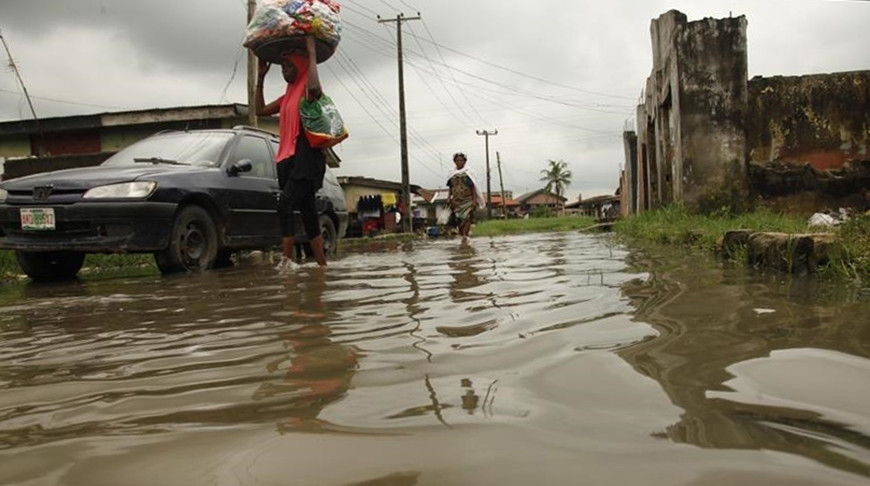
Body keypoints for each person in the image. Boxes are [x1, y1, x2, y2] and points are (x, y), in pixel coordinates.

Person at [256, 36, 327, 269]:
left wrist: (312, 53)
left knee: (284, 204)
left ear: (302, 64)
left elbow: (316, 87)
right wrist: (261, 77)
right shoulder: (287, 96)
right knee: (307, 212)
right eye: (283, 67)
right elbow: (260, 110)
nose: (285, 71)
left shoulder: (309, 89)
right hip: (287, 160)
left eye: (290, 65)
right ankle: (322, 266)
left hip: (306, 160)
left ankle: (286, 261)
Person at [447, 153, 485, 238]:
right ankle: (462, 237)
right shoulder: (452, 174)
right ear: (454, 162)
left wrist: (474, 200)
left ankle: (465, 236)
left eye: (461, 160)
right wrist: (449, 197)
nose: (459, 162)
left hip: (468, 200)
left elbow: (473, 187)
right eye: (457, 160)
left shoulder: (469, 173)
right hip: (456, 201)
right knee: (459, 219)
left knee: (467, 218)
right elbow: (450, 187)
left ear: (464, 161)